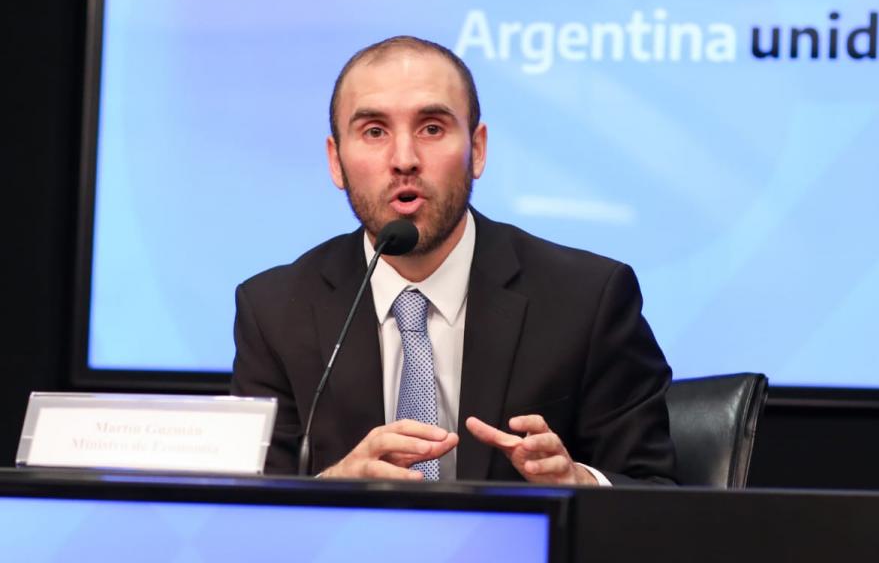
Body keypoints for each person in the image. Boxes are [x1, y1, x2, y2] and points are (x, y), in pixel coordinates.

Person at [231, 36, 676, 485]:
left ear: (477, 150)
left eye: (431, 128)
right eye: (374, 132)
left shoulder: (587, 299)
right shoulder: (274, 312)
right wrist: (330, 491)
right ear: (336, 161)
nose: (404, 160)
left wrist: (580, 484)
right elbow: (242, 512)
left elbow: (657, 493)